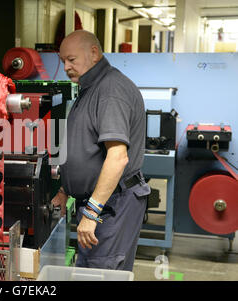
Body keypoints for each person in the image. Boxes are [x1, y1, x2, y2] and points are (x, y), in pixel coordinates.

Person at [52, 30, 150, 271]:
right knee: (92, 271)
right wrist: (66, 190)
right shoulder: (91, 87)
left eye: (71, 60)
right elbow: (88, 149)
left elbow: (118, 157)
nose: (66, 67)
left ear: (94, 53)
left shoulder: (109, 91)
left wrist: (92, 213)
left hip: (111, 207)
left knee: (101, 271)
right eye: (63, 60)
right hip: (102, 205)